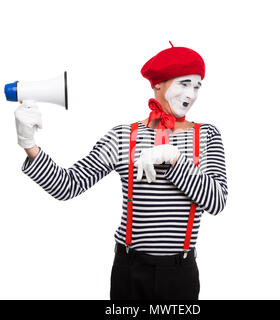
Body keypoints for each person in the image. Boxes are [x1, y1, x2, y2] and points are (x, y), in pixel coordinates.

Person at [14, 42, 228, 300]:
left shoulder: (206, 135)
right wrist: (29, 145)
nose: (192, 94)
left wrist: (174, 159)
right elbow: (67, 186)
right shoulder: (123, 137)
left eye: (197, 86)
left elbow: (217, 201)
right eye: (184, 83)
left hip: (180, 275)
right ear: (158, 84)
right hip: (130, 272)